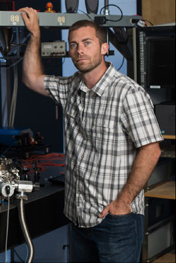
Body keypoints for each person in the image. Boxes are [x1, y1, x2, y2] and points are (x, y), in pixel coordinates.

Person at [19, 7, 163, 263]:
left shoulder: (128, 94)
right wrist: (35, 34)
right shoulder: (71, 87)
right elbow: (31, 78)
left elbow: (151, 149)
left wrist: (123, 203)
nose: (79, 50)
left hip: (116, 220)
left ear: (105, 48)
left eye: (87, 43)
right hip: (79, 219)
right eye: (73, 45)